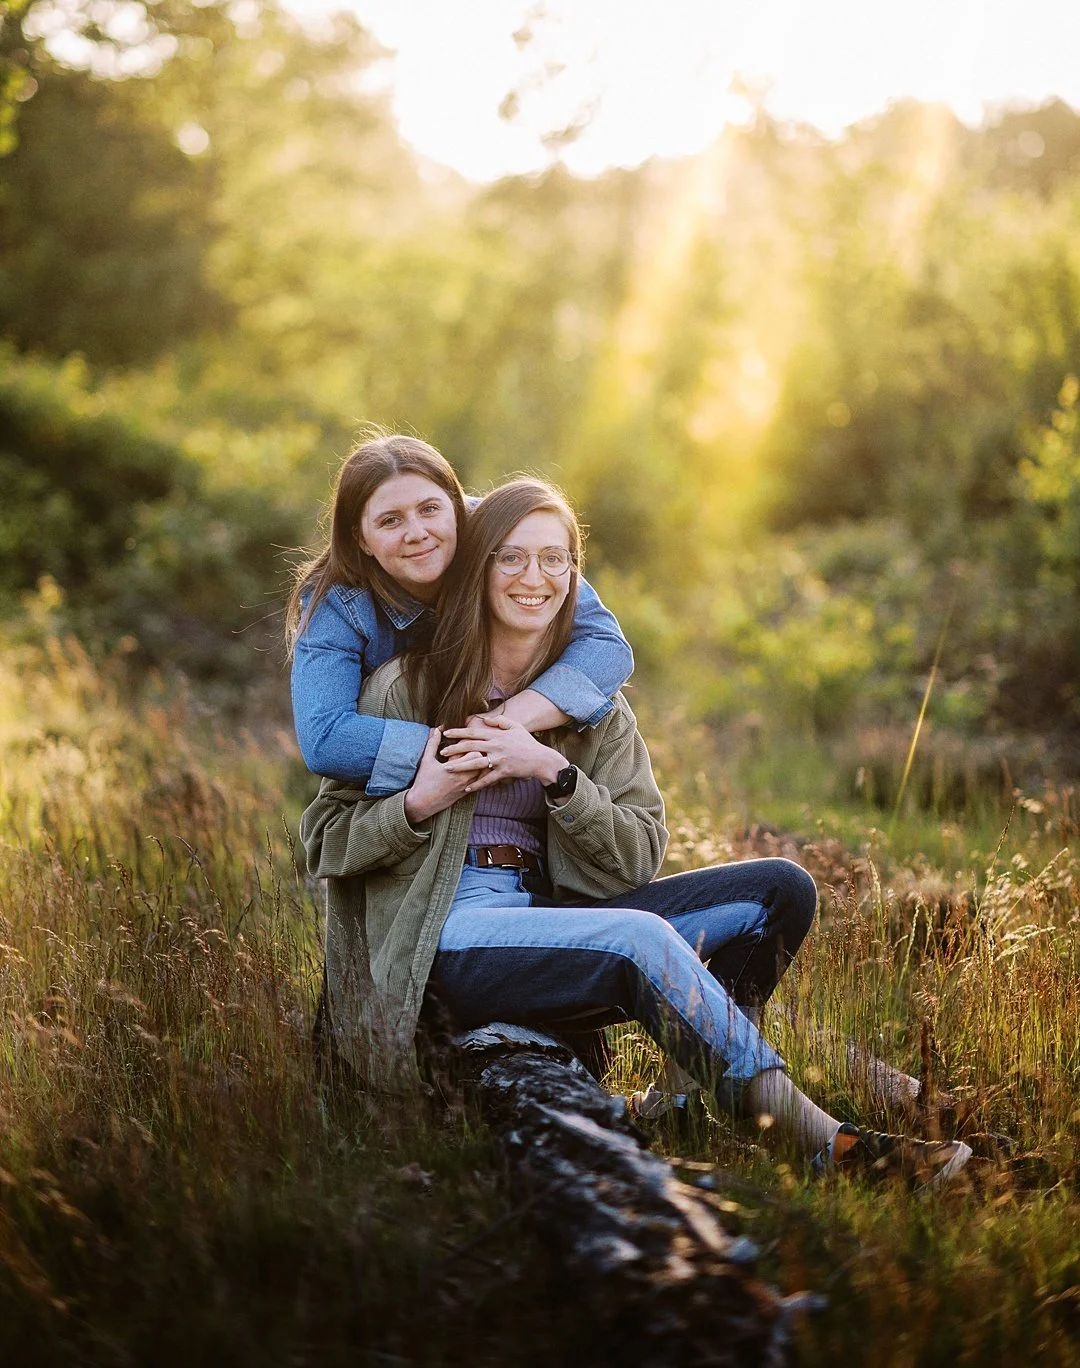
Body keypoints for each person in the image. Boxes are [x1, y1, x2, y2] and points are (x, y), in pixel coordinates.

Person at [301, 478, 973, 1191]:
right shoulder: (405, 687)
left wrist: (556, 775)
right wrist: (419, 800)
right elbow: (326, 839)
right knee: (639, 939)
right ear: (477, 568)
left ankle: (679, 1103)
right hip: (447, 937)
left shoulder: (593, 710)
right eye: (512, 559)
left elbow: (635, 857)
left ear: (574, 574)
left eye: (555, 561)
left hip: (551, 920)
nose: (536, 580)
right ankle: (829, 1146)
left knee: (778, 892)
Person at [286, 431, 633, 795]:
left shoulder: (500, 533)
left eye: (430, 509)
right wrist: (462, 745)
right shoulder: (337, 602)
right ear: (361, 539)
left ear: (455, 506)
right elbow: (325, 738)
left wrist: (503, 724)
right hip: (413, 793)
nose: (417, 533)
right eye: (390, 521)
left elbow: (607, 645)